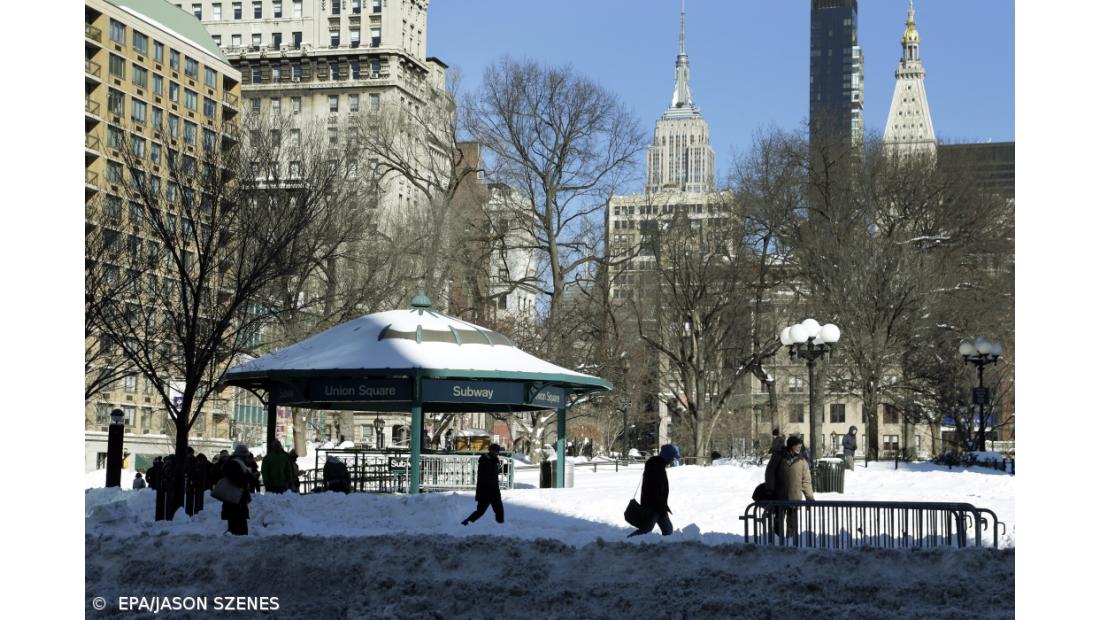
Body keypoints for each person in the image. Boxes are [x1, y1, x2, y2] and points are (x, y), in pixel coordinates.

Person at [628, 444, 677, 537]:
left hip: (658, 505)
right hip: (653, 506)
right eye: (672, 457)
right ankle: (628, 541)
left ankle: (630, 540)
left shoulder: (658, 465)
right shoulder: (656, 467)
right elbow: (655, 489)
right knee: (647, 529)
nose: (673, 459)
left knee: (667, 530)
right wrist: (659, 506)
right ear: (667, 456)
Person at [777, 435, 815, 542]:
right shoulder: (779, 457)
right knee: (777, 521)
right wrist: (770, 489)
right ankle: (776, 543)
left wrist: (809, 497)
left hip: (794, 497)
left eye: (800, 445)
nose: (799, 447)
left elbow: (806, 481)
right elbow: (771, 473)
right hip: (779, 496)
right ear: (791, 446)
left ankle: (790, 542)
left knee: (792, 523)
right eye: (797, 445)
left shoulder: (802, 461)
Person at [462, 444, 505, 526]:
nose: (496, 453)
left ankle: (501, 525)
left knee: (499, 509)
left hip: (494, 489)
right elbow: (485, 475)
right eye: (495, 451)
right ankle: (466, 523)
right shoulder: (485, 460)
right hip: (485, 490)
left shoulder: (494, 460)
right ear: (491, 450)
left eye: (497, 451)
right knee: (480, 511)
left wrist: (501, 467)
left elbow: (496, 472)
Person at [220, 445, 258, 535]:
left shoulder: (235, 464)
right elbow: (239, 480)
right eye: (246, 456)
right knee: (238, 528)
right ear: (242, 456)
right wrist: (250, 477)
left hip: (236, 500)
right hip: (235, 500)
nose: (247, 458)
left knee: (238, 527)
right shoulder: (234, 464)